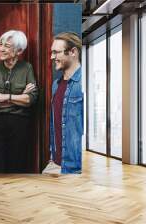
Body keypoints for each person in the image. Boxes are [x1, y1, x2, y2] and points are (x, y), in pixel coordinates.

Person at [0, 30, 38, 173]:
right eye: (0, 44)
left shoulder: (27, 68)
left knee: (17, 165)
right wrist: (20, 96)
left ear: (19, 50)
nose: (1, 49)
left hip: (19, 122)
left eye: (7, 46)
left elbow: (31, 100)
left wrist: (4, 97)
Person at [49, 32, 83, 174]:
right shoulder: (56, 85)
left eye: (56, 52)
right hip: (57, 164)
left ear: (73, 52)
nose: (52, 57)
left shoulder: (82, 83)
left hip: (75, 168)